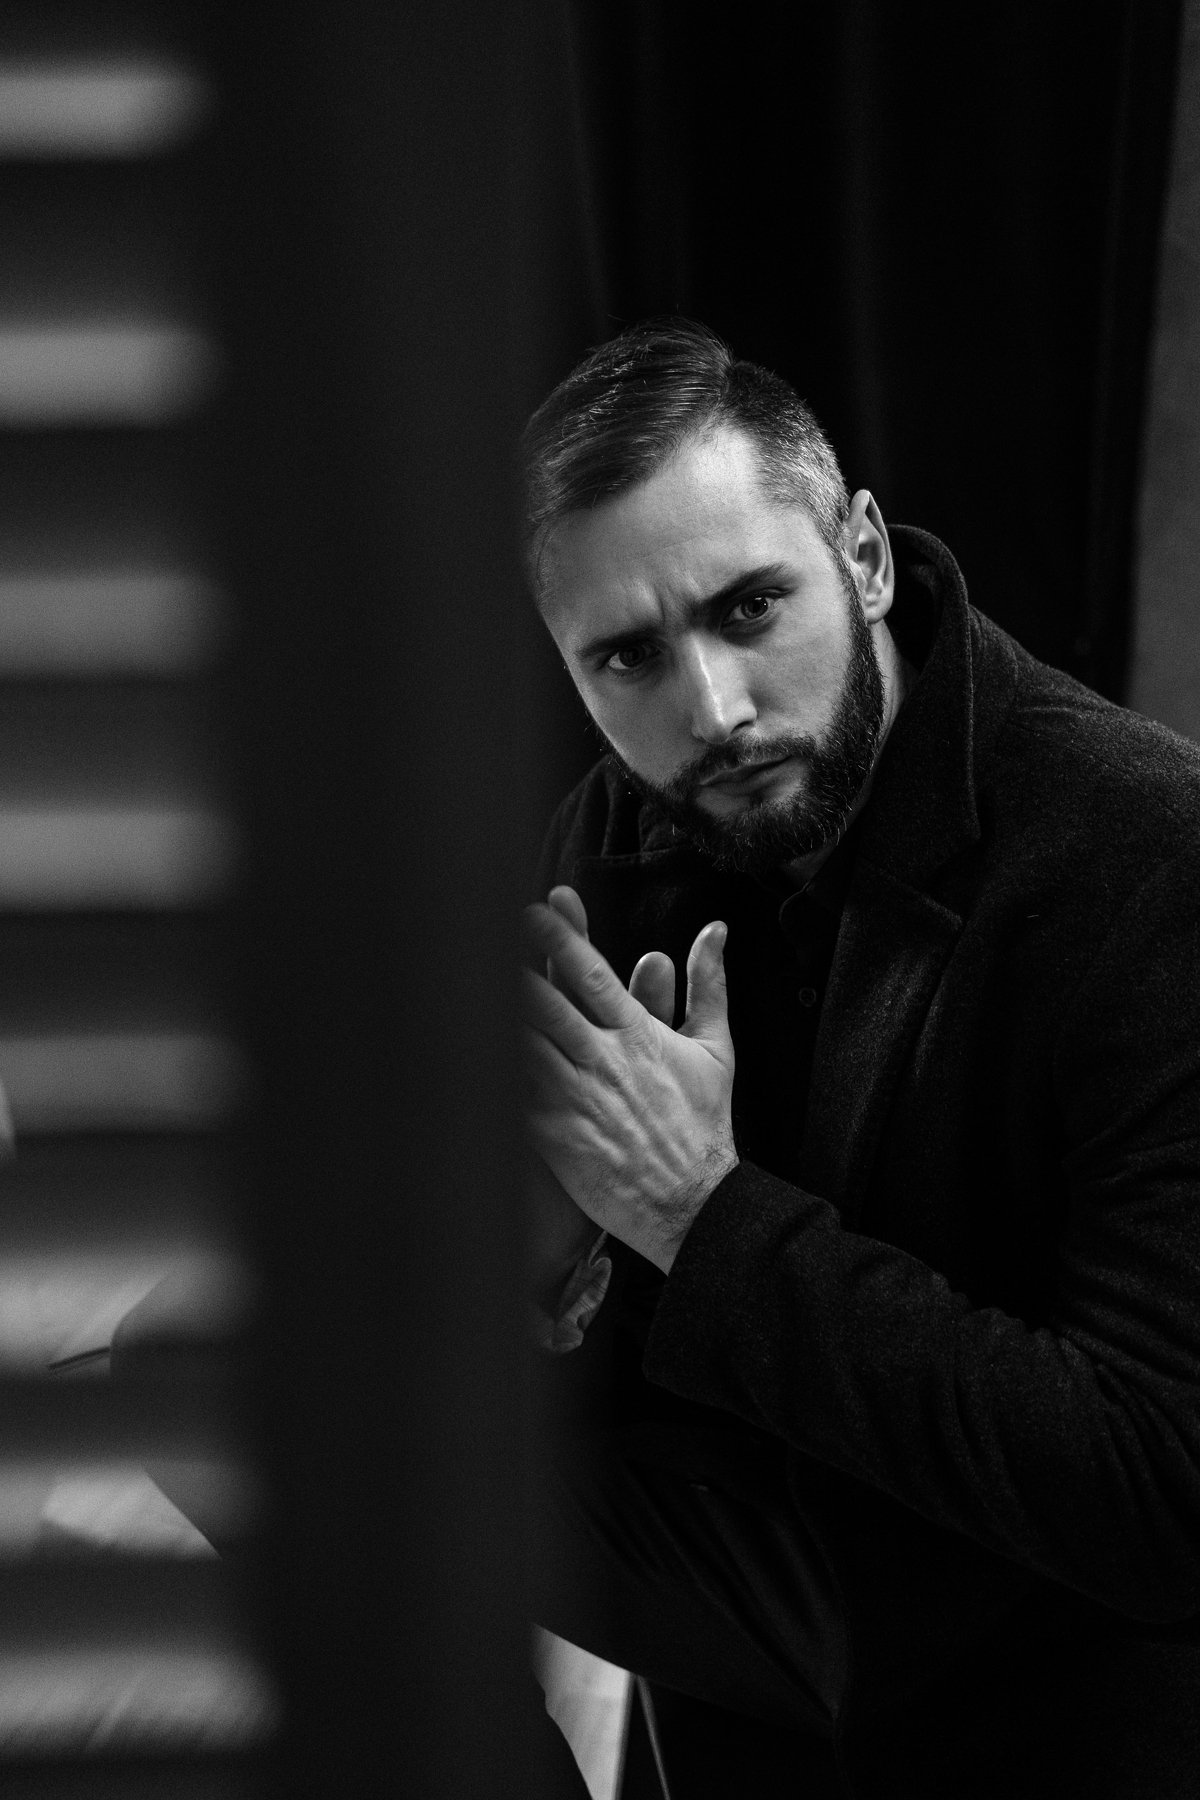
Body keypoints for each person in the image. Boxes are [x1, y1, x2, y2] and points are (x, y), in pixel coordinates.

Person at [520, 317, 1200, 1798]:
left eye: (751, 607)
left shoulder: (1147, 856)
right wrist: (543, 1269)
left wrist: (697, 1216)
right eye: (629, 656)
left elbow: (1163, 1491)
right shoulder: (616, 836)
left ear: (868, 559)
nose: (712, 711)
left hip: (1043, 1625)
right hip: (766, 1567)